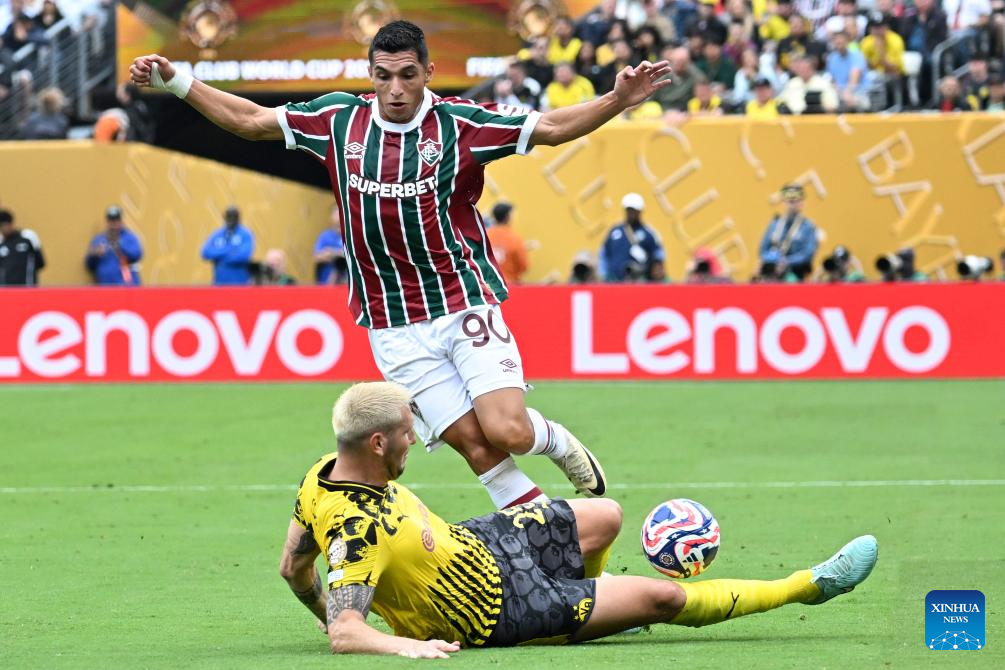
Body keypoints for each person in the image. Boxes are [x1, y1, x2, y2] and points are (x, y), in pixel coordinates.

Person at [129, 21, 673, 509]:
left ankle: (557, 441)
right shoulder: (338, 120)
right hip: (392, 324)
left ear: (427, 73)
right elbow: (250, 120)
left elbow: (550, 126)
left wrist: (616, 100)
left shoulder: (461, 124)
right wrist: (177, 82)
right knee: (475, 447)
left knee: (506, 430)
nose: (395, 89)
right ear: (371, 75)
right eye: (384, 76)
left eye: (407, 75)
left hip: (461, 301)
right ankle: (545, 539)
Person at [278, 382, 879, 656]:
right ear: (378, 443)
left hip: (484, 543)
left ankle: (600, 602)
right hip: (501, 610)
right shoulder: (357, 532)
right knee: (664, 598)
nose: (415, 441)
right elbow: (346, 632)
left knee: (606, 515)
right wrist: (404, 646)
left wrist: (318, 605)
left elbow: (293, 567)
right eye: (409, 435)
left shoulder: (320, 474)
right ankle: (809, 585)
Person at [599, 193, 666, 282]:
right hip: (614, 282)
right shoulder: (615, 231)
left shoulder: (648, 233)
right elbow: (604, 254)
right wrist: (604, 275)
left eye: (634, 210)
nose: (631, 213)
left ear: (640, 211)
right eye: (629, 210)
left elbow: (658, 256)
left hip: (640, 282)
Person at [758, 184, 818, 281]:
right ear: (783, 202)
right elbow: (763, 250)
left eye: (795, 201)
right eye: (789, 201)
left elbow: (807, 254)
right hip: (773, 274)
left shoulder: (807, 226)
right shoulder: (775, 224)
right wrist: (774, 259)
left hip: (796, 274)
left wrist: (787, 261)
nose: (791, 205)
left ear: (802, 203)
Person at [85, 205, 143, 285]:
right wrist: (94, 254)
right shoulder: (99, 239)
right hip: (105, 288)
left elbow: (137, 255)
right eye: (111, 220)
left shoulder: (129, 237)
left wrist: (118, 245)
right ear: (107, 222)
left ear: (121, 221)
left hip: (126, 287)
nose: (114, 224)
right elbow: (89, 265)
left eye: (116, 220)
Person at [201, 205, 254, 285]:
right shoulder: (218, 234)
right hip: (220, 283)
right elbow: (205, 252)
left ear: (238, 218)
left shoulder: (245, 234)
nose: (231, 219)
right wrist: (229, 249)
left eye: (234, 216)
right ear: (224, 217)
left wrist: (219, 259)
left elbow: (243, 255)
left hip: (240, 283)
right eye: (229, 216)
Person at [485, 201, 529, 285]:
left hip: (487, 286)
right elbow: (523, 266)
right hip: (509, 285)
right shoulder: (515, 238)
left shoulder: (484, 235)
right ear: (508, 217)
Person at [0, 208, 45, 285]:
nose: (3, 229)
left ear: (11, 224)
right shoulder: (1, 243)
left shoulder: (27, 237)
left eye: (4, 225)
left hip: (27, 287)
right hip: (7, 289)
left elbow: (40, 262)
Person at [314, 203, 348, 285]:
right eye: (336, 213)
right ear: (331, 217)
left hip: (347, 283)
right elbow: (316, 257)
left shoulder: (351, 237)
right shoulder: (325, 236)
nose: (339, 217)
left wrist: (335, 253)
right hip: (327, 283)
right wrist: (334, 256)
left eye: (341, 213)